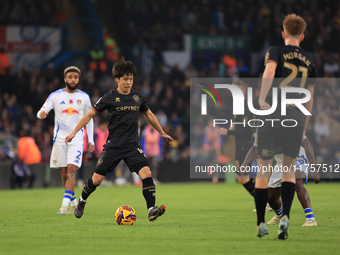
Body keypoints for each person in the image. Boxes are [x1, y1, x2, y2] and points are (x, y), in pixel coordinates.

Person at [65, 57, 173, 221]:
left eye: (131, 79)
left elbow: (149, 114)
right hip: (113, 147)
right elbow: (89, 115)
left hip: (132, 147)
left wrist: (162, 132)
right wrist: (74, 132)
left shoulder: (138, 97)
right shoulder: (109, 97)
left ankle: (151, 209)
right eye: (125, 79)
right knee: (95, 180)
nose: (129, 82)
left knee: (147, 172)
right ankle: (82, 200)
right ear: (117, 79)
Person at [255, 14, 317, 239]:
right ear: (303, 35)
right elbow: (310, 95)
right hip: (295, 118)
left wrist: (263, 100)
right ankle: (287, 218)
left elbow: (269, 72)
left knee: (263, 171)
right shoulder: (310, 59)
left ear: (283, 34)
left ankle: (261, 222)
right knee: (289, 172)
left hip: (273, 113)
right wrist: (304, 126)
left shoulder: (275, 51)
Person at [36, 66, 94, 215]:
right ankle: (74, 202)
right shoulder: (55, 96)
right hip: (60, 139)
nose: (73, 80)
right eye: (70, 77)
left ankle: (64, 206)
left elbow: (90, 119)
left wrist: (91, 139)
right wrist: (41, 114)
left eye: (75, 77)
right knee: (64, 174)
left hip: (77, 139)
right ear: (65, 79)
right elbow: (41, 112)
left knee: (72, 170)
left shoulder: (84, 97)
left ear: (78, 79)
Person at [242, 133, 320, 227]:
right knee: (271, 197)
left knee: (297, 183)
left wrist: (313, 167)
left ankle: (310, 219)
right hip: (281, 163)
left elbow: (306, 143)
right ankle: (280, 215)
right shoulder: (262, 130)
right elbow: (255, 148)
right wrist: (245, 163)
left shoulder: (289, 124)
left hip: (297, 157)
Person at [219, 80, 255, 192]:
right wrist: (233, 125)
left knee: (241, 176)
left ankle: (266, 201)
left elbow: (248, 131)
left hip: (246, 144)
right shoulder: (238, 105)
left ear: (244, 91)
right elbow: (241, 122)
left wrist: (228, 132)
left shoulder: (245, 107)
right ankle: (265, 200)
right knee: (243, 176)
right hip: (242, 144)